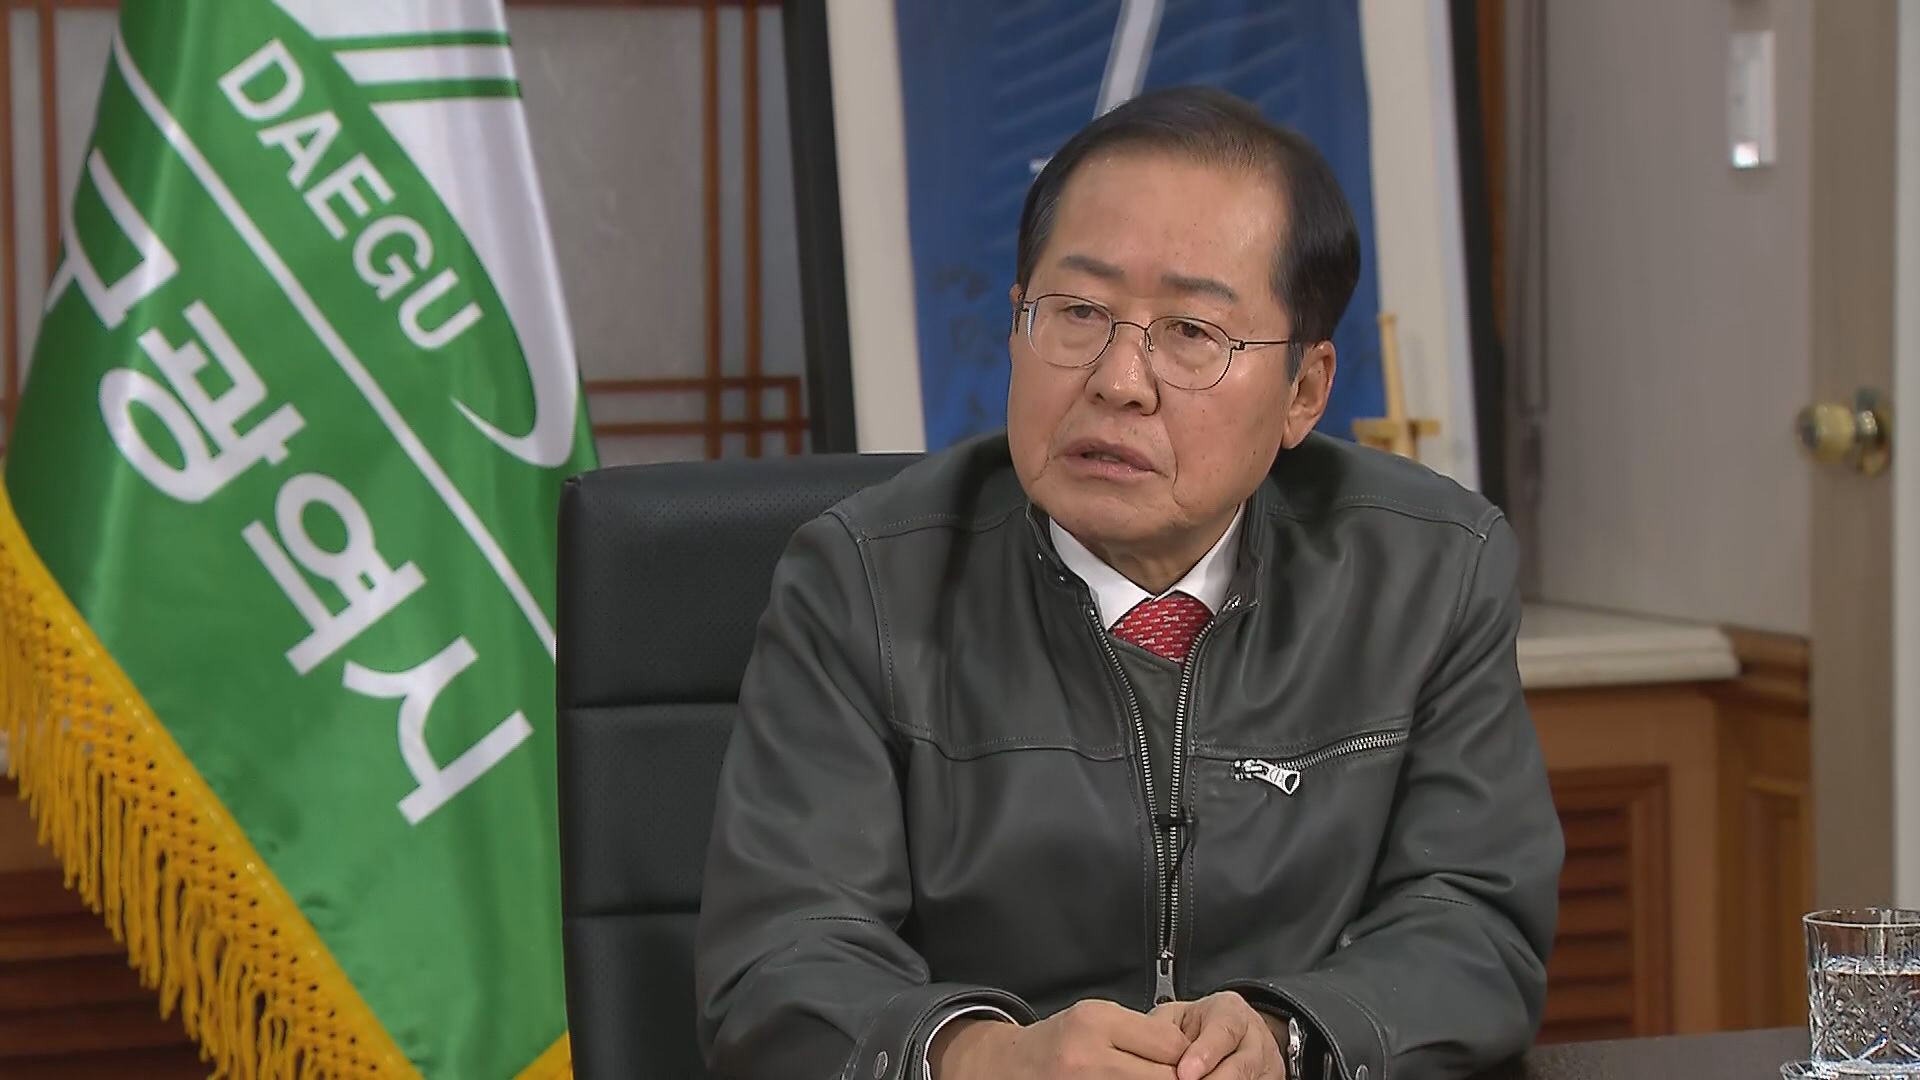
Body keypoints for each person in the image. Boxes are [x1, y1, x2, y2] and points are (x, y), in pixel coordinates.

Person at [694, 86, 1562, 1080]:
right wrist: (986, 1059)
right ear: (1016, 325)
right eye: (1077, 313)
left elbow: (1474, 917)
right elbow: (783, 955)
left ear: (1305, 392)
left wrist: (1290, 1038)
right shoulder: (862, 582)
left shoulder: (1430, 571)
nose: (1118, 380)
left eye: (1191, 332)